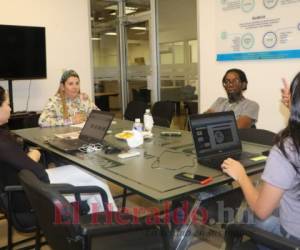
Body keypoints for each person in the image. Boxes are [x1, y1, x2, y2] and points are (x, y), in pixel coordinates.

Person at [0, 86, 116, 212]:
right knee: (98, 183)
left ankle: (97, 223)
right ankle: (113, 223)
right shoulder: (3, 142)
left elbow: (19, 163)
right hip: (31, 194)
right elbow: (37, 170)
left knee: (93, 178)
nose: (10, 108)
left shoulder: (4, 137)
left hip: (24, 187)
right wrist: (34, 155)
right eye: (7, 104)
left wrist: (28, 156)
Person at [221, 72, 300, 246]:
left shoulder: (287, 149)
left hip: (291, 240)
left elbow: (261, 210)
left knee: (251, 215)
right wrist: (294, 107)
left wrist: (241, 176)